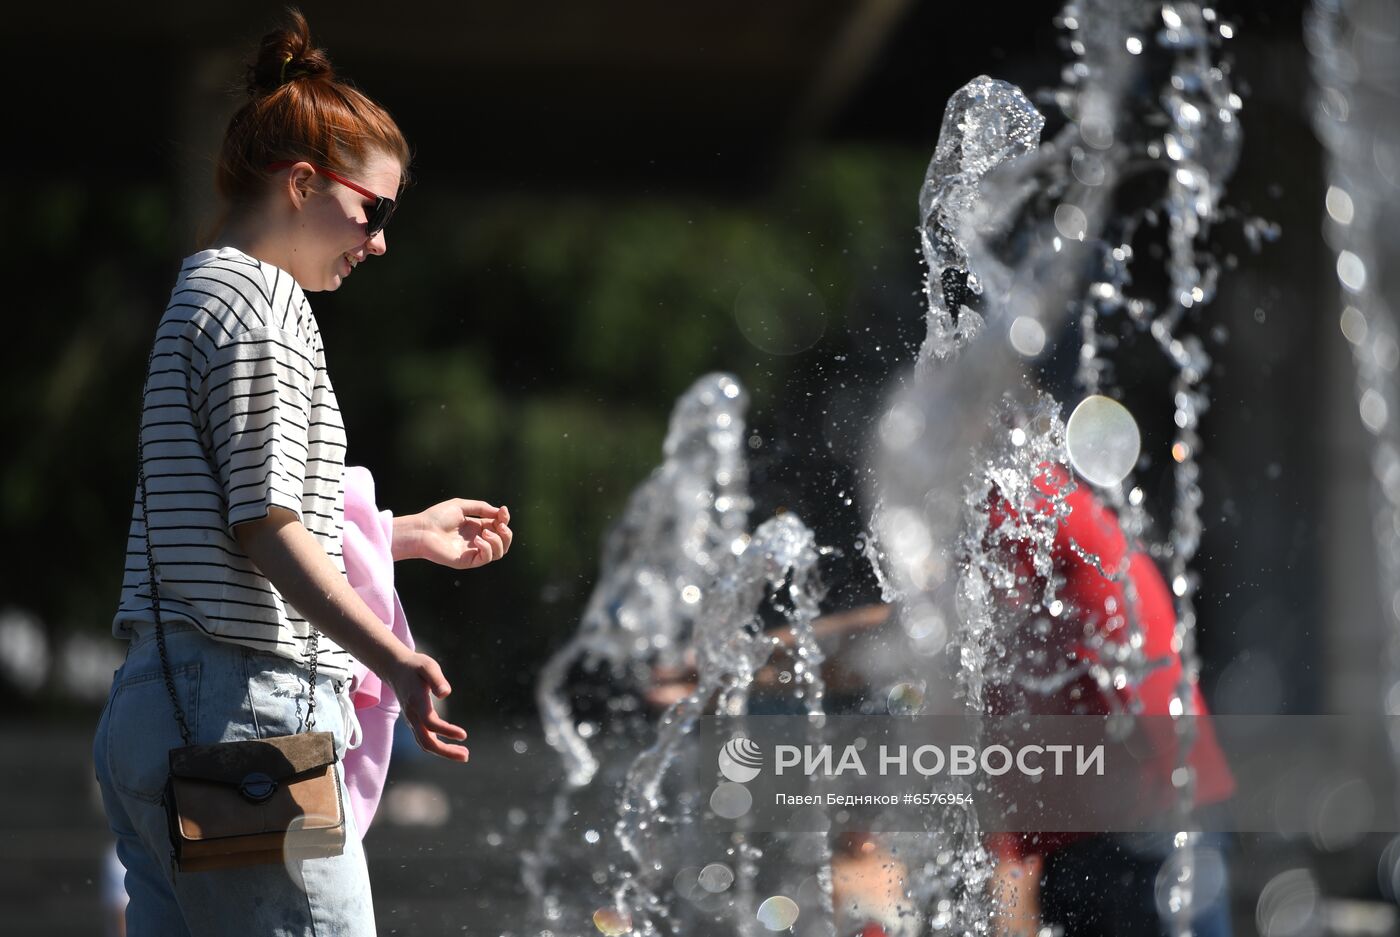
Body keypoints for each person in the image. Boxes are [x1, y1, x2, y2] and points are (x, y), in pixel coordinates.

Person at [92, 10, 513, 935]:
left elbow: (225, 514)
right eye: (375, 211)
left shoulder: (197, 293)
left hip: (150, 715)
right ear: (302, 183)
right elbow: (265, 525)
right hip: (243, 717)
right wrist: (393, 657)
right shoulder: (266, 304)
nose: (380, 241)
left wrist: (401, 535)